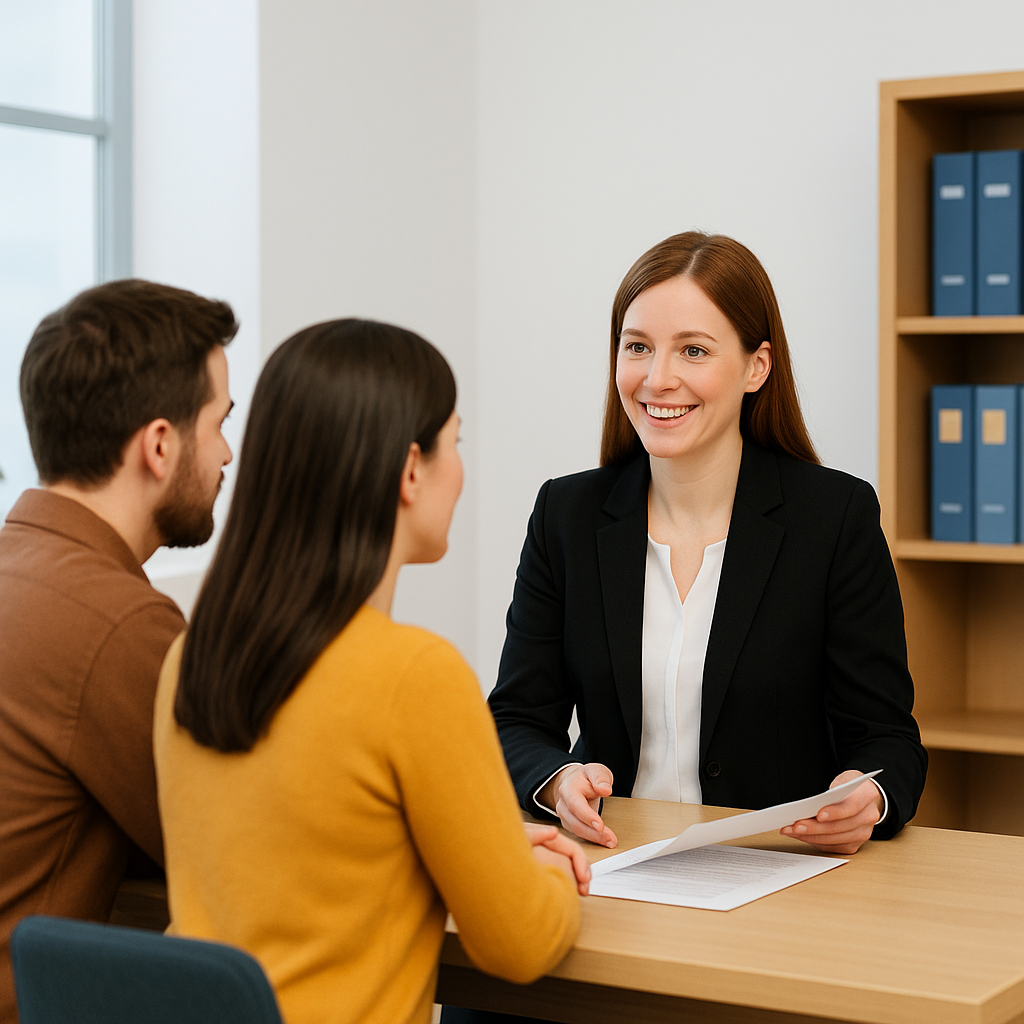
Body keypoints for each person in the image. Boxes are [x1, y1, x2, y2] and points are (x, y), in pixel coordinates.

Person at [153, 318, 588, 1024]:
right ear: (410, 470)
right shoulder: (413, 676)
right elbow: (521, 943)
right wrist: (551, 877)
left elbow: (317, 861)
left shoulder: (190, 658)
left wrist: (486, 849)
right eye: (457, 442)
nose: (462, 471)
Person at [489, 230, 927, 857]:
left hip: (780, 869)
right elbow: (515, 722)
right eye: (637, 346)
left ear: (757, 366)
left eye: (693, 351)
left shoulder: (834, 519)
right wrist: (557, 780)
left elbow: (888, 739)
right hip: (613, 864)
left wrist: (867, 794)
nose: (657, 378)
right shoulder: (567, 514)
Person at [0, 279, 236, 1023]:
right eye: (220, 423)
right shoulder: (117, 624)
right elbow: (235, 848)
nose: (228, 454)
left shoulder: (20, 571)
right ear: (160, 445)